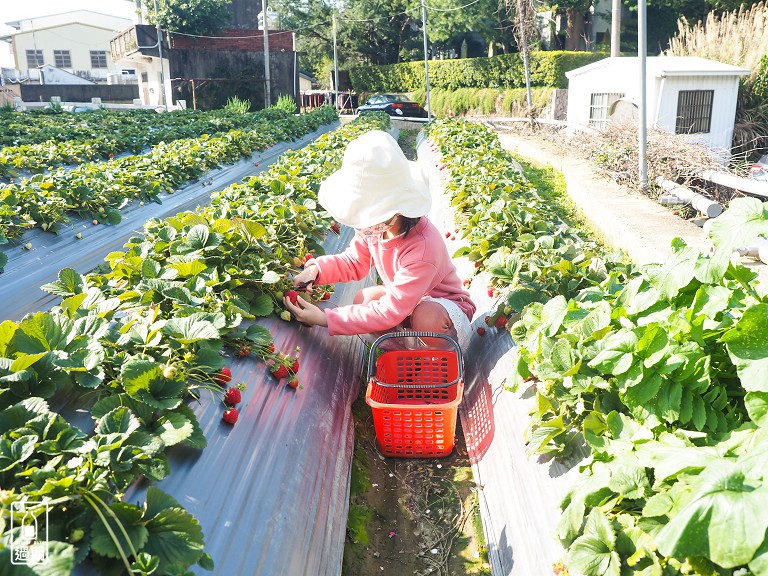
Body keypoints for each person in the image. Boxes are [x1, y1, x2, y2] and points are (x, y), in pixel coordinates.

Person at [282, 130, 476, 351]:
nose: (364, 221)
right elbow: (354, 262)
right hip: (410, 305)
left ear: (396, 207)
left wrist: (326, 319)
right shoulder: (375, 228)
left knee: (426, 316)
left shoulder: (422, 247)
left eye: (368, 211)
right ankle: (407, 357)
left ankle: (439, 362)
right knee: (364, 299)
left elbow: (390, 310)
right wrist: (316, 270)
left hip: (445, 314)